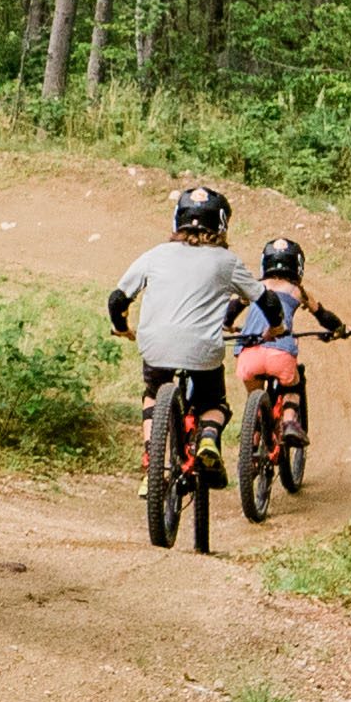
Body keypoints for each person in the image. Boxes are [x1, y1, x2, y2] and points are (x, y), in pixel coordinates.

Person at [107, 183, 250, 491]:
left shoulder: (155, 255)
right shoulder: (227, 262)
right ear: (221, 223)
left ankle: (152, 463)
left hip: (156, 347)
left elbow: (117, 299)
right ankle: (208, 438)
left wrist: (121, 327)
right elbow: (266, 300)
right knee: (214, 402)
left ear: (177, 219)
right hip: (203, 350)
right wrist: (276, 328)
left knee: (153, 393)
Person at [232, 235, 351, 447]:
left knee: (254, 393)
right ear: (297, 265)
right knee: (293, 384)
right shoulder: (298, 291)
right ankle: (289, 421)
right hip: (280, 352)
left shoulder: (254, 287)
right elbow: (323, 315)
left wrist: (228, 325)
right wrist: (339, 329)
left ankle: (254, 432)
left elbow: (232, 309)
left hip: (248, 355)